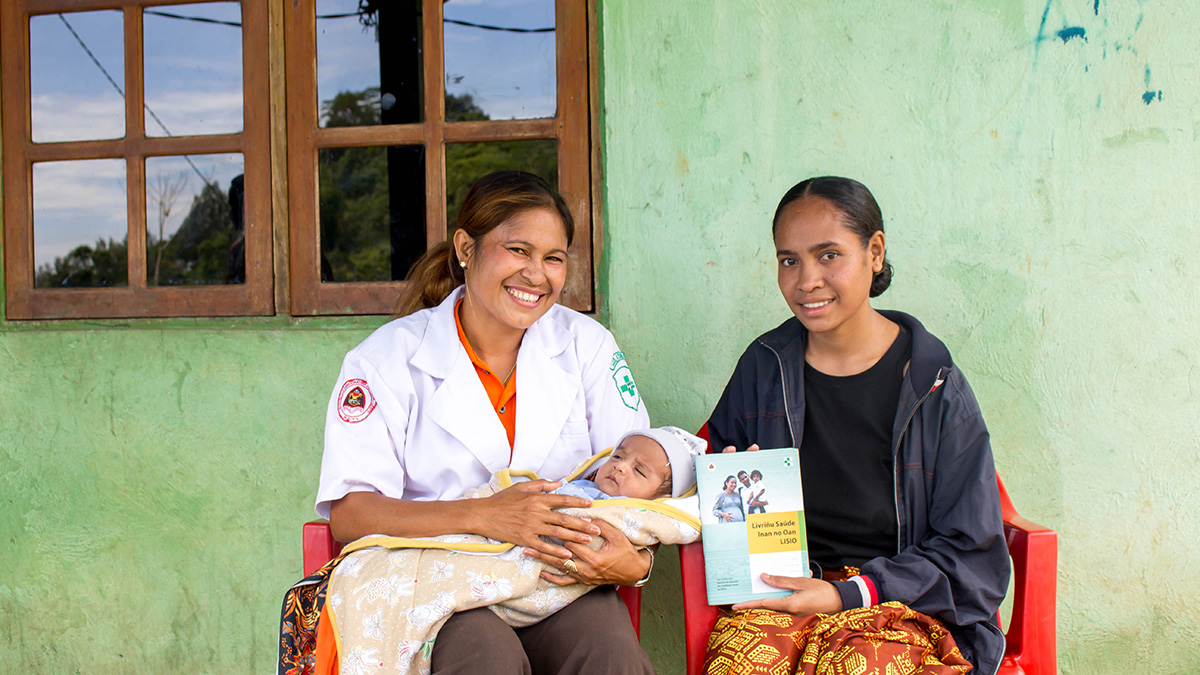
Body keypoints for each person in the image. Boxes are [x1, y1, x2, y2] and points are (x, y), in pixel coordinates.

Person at [314, 170, 656, 675]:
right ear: (465, 249)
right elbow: (350, 513)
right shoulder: (387, 359)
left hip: (556, 577)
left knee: (610, 655)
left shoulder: (587, 347)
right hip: (440, 580)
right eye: (518, 250)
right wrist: (483, 516)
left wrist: (637, 565)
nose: (537, 275)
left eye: (553, 258)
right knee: (483, 660)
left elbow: (641, 479)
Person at [704, 177, 1009, 674]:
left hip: (899, 606)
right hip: (783, 596)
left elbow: (971, 555)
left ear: (875, 252)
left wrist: (848, 594)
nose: (806, 280)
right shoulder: (765, 368)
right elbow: (715, 482)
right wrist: (727, 495)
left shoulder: (933, 386)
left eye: (829, 255)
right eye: (789, 260)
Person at [554, 426, 707, 501]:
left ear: (661, 499)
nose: (620, 466)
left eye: (639, 471)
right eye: (618, 457)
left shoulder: (632, 518)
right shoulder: (578, 485)